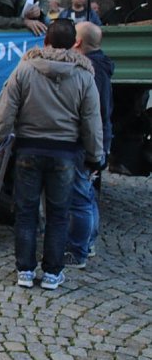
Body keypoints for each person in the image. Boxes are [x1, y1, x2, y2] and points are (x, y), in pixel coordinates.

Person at [0, 19, 104, 290]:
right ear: (73, 45)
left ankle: (25, 271)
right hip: (65, 152)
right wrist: (95, 156)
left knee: (26, 213)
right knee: (59, 214)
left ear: (45, 41)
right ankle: (52, 273)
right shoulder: (84, 75)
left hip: (29, 149)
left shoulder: (24, 69)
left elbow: (6, 107)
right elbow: (91, 120)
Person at [65, 22, 114, 268]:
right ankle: (87, 242)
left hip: (89, 141)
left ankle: (79, 249)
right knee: (87, 194)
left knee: (80, 197)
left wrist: (95, 149)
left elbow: (95, 114)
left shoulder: (91, 71)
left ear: (78, 42)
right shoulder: (100, 66)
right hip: (96, 140)